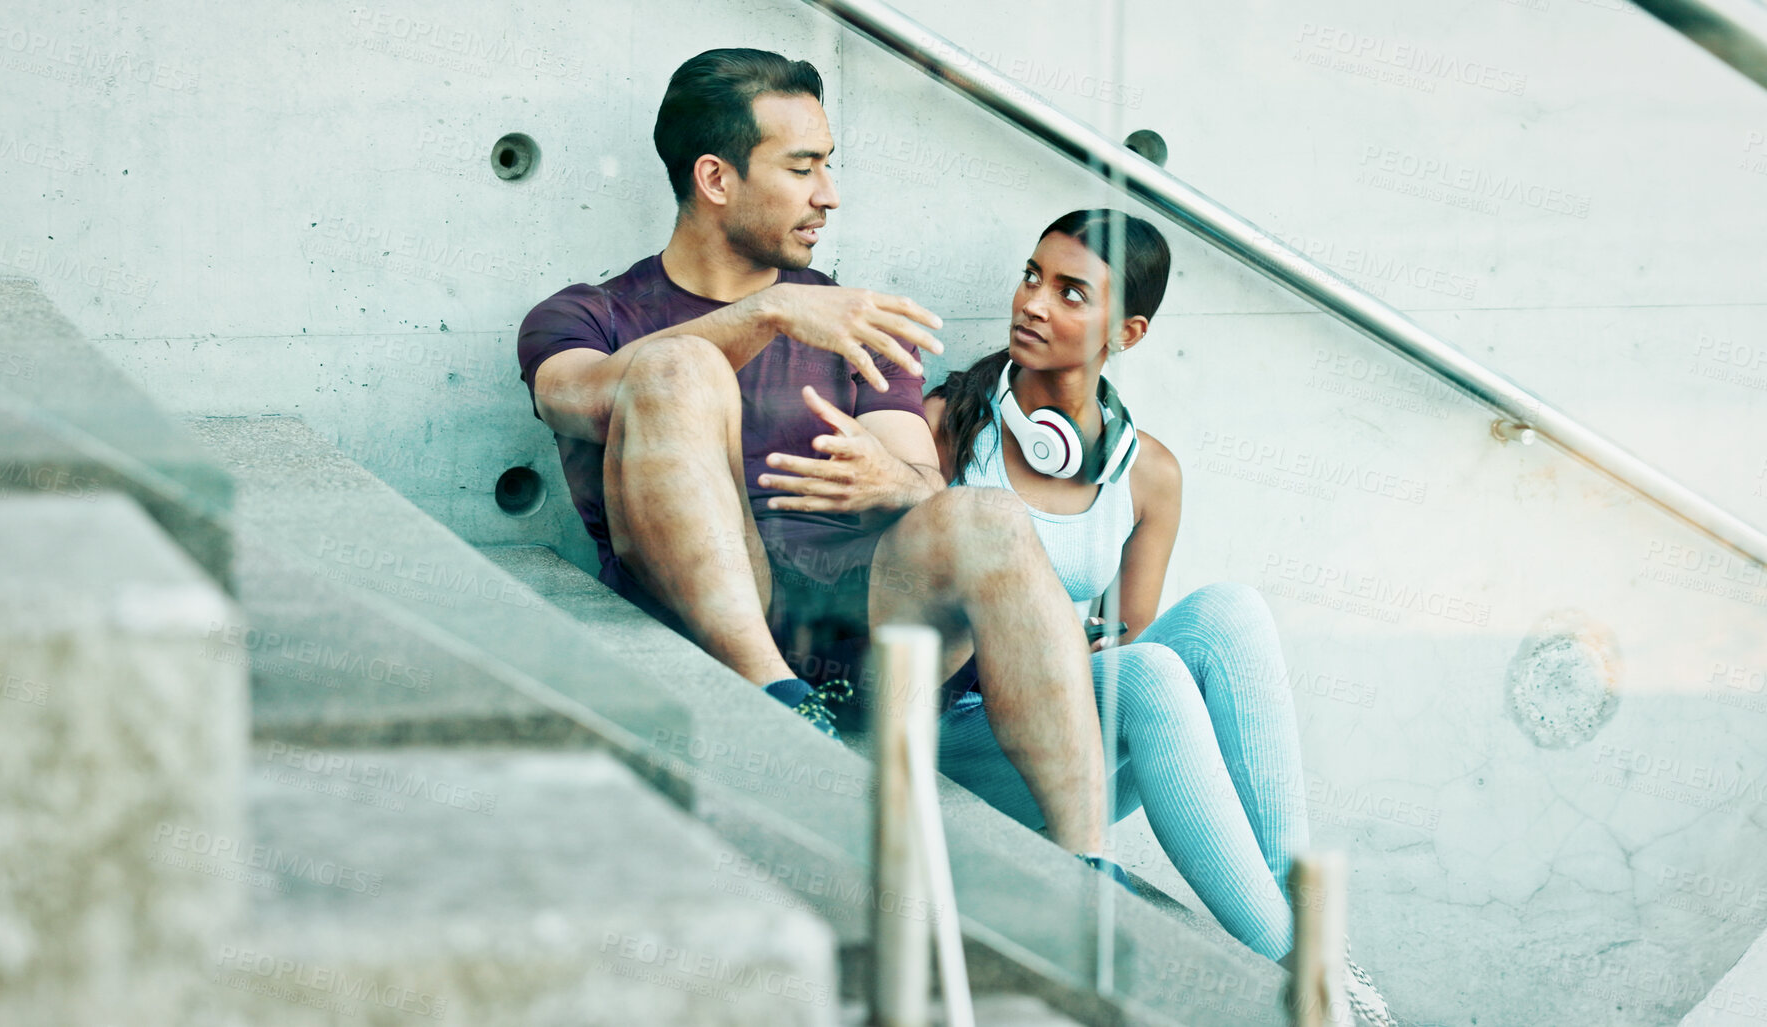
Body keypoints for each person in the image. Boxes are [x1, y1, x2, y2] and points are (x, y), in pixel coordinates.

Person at [514, 49, 1120, 867]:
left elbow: (920, 478)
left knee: (987, 515)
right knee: (676, 366)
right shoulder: (593, 313)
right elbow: (571, 395)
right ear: (716, 179)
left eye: (828, 166)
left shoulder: (854, 320)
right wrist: (764, 315)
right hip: (711, 624)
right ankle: (776, 702)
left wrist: (894, 485)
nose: (827, 195)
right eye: (802, 169)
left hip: (867, 636)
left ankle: (1085, 867)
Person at [924, 209, 1396, 1024]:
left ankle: (1315, 942)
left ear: (1127, 332)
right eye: (1031, 275)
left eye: (1071, 292)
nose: (1033, 302)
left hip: (1063, 749)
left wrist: (1069, 647)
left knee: (1226, 615)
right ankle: (1317, 984)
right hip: (954, 732)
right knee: (1143, 673)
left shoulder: (1149, 475)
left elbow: (1130, 643)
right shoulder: (944, 425)